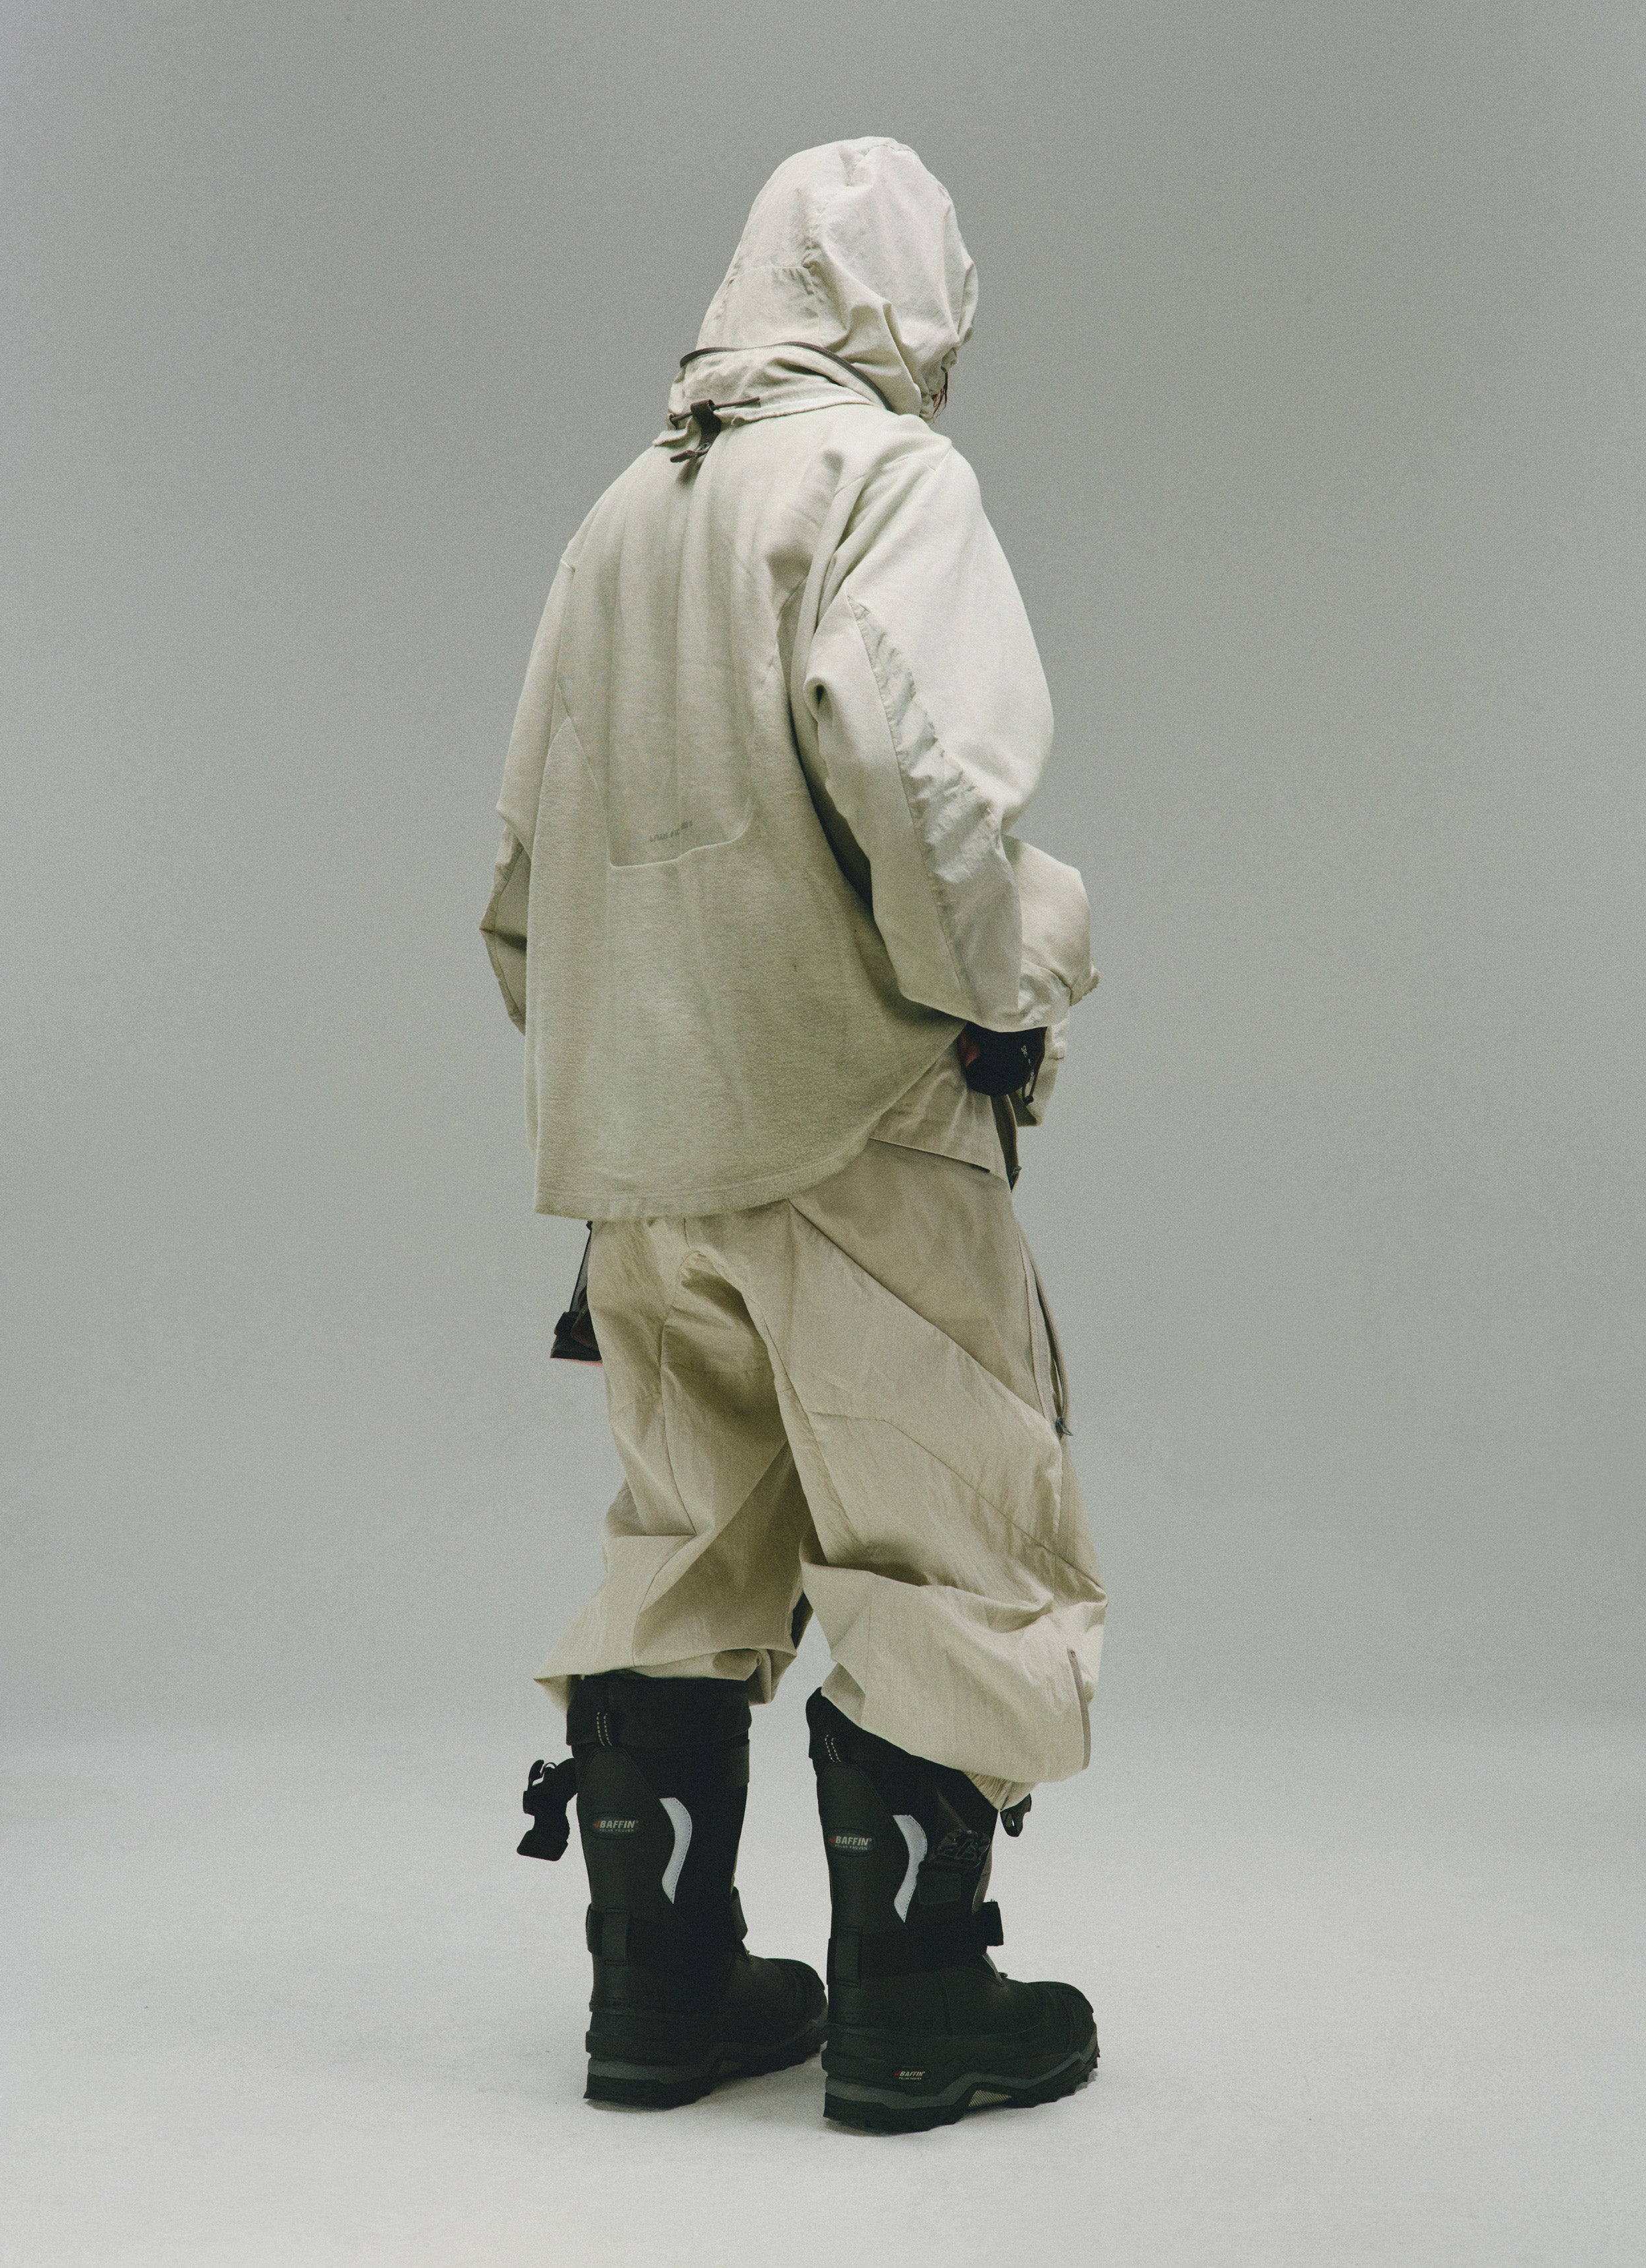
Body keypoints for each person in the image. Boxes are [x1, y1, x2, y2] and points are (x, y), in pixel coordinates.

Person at [482, 137, 1105, 2133]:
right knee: (947, 1536)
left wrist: (624, 1071)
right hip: (855, 1129)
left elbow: (522, 875)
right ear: (914, 301)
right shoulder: (886, 480)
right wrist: (1000, 995)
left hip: (639, 1166)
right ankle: (917, 2005)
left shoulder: (618, 517)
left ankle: (657, 1999)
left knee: (686, 1538)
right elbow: (925, 782)